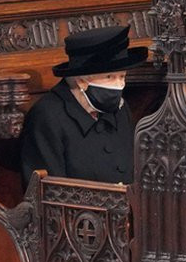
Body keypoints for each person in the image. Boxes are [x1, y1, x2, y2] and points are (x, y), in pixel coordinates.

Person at [20, 25, 147, 186]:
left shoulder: (121, 109)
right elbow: (48, 193)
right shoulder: (47, 117)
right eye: (109, 76)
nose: (119, 85)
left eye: (122, 76)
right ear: (81, 80)